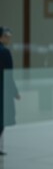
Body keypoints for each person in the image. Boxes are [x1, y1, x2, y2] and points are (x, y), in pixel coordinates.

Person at [0, 26, 20, 155]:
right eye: (6, 36)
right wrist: (14, 91)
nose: (8, 39)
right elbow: (8, 75)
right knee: (2, 119)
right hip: (2, 91)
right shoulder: (5, 52)